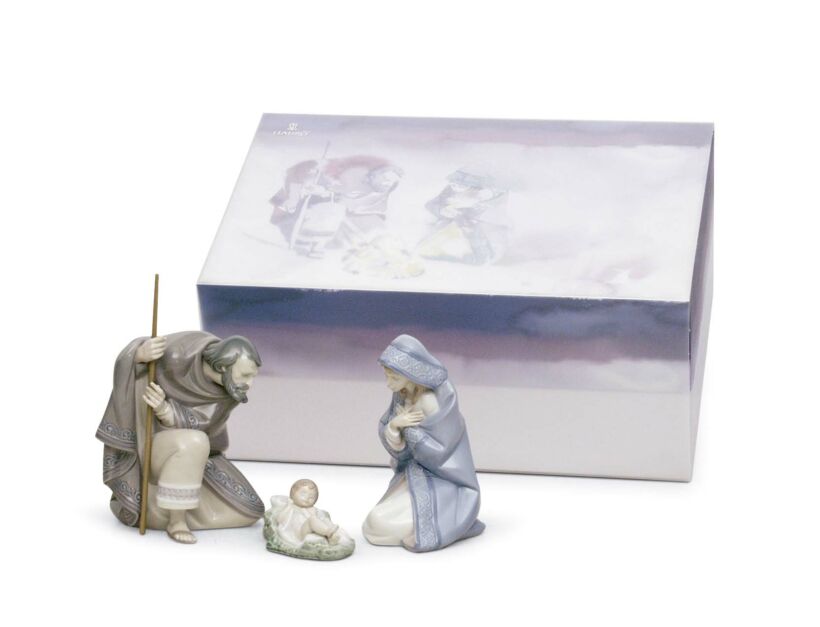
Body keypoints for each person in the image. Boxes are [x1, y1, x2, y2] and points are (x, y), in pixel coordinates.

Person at [96, 332, 265, 544]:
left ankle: (162, 508)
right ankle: (176, 520)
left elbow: (207, 423)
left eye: (253, 376)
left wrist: (166, 411)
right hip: (149, 445)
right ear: (223, 367)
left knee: (250, 510)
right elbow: (131, 365)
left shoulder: (232, 389)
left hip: (193, 457)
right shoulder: (181, 352)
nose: (250, 383)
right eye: (245, 375)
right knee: (193, 441)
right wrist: (139, 355)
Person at [363, 334, 485, 552]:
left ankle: (450, 522)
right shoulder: (402, 395)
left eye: (393, 378)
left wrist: (408, 430)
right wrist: (394, 427)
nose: (388, 384)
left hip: (443, 482)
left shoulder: (429, 402)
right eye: (387, 376)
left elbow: (439, 453)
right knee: (374, 521)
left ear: (409, 375)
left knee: (379, 523)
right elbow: (392, 434)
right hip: (414, 474)